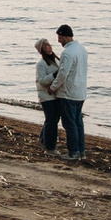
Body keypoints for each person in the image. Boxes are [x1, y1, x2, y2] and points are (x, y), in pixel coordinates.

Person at [46, 23, 88, 160]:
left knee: (69, 124)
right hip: (80, 92)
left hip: (69, 92)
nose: (58, 41)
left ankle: (73, 152)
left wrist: (53, 87)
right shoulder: (81, 49)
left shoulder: (67, 53)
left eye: (59, 37)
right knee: (78, 123)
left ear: (65, 36)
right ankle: (81, 151)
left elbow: (63, 74)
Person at [32, 37, 62, 152]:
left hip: (56, 94)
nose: (49, 46)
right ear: (41, 49)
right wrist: (54, 75)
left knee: (52, 120)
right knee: (51, 121)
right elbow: (42, 81)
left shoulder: (56, 60)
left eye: (49, 44)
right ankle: (50, 147)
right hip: (46, 96)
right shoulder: (41, 64)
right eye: (45, 45)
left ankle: (43, 140)